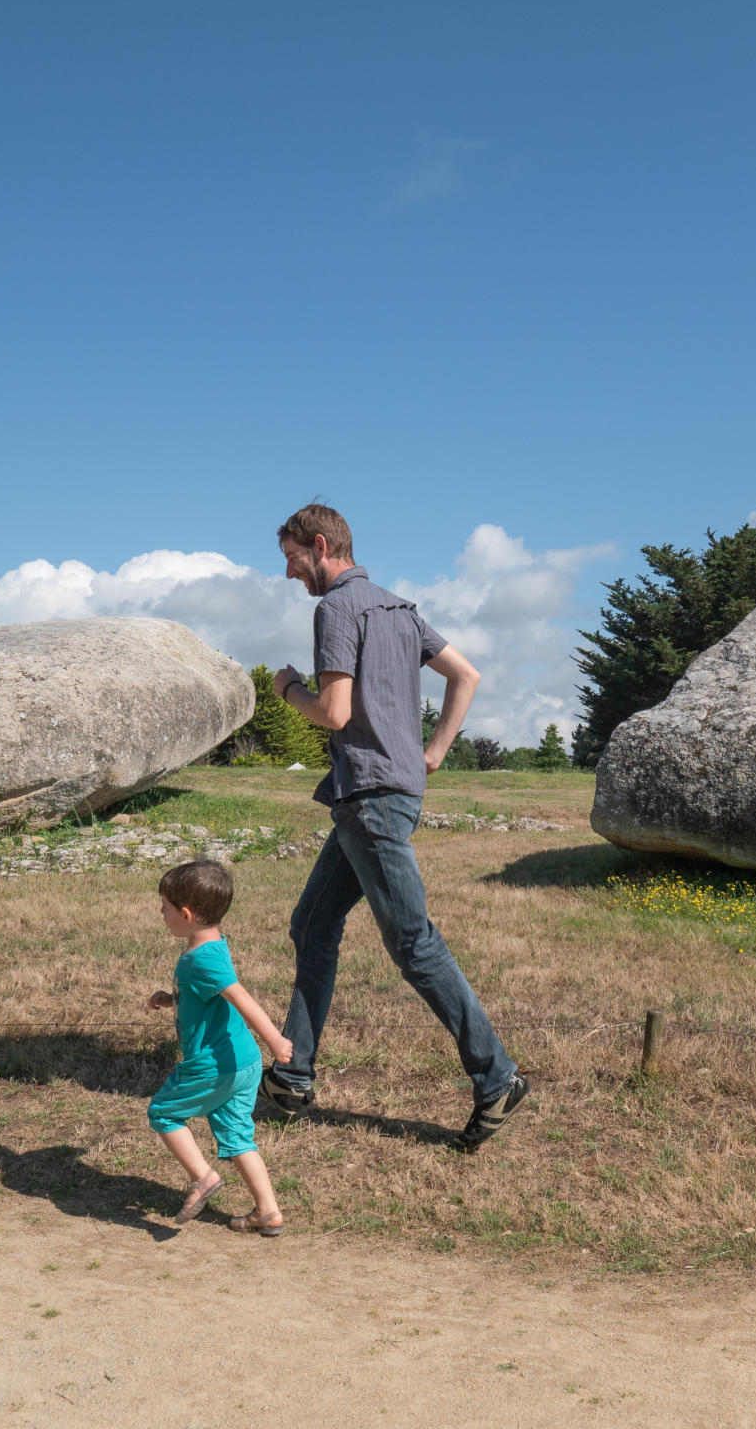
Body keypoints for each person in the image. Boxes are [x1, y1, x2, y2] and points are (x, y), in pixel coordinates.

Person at [258, 503, 529, 1151]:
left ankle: (497, 1078)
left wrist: (287, 689)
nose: (291, 575)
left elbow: (334, 710)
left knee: (414, 944)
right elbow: (466, 675)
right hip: (382, 794)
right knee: (313, 923)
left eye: (292, 560)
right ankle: (292, 1077)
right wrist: (432, 753)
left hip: (371, 801)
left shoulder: (336, 610)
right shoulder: (400, 610)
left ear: (320, 546)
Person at [145, 859, 294, 1233]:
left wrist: (275, 1039)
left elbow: (240, 997)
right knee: (238, 1136)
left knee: (163, 1113)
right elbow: (208, 996)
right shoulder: (213, 944)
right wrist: (173, 1000)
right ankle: (268, 1212)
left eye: (164, 907)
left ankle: (203, 1177)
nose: (160, 913)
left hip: (213, 1063)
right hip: (242, 1062)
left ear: (186, 913)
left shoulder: (201, 959)